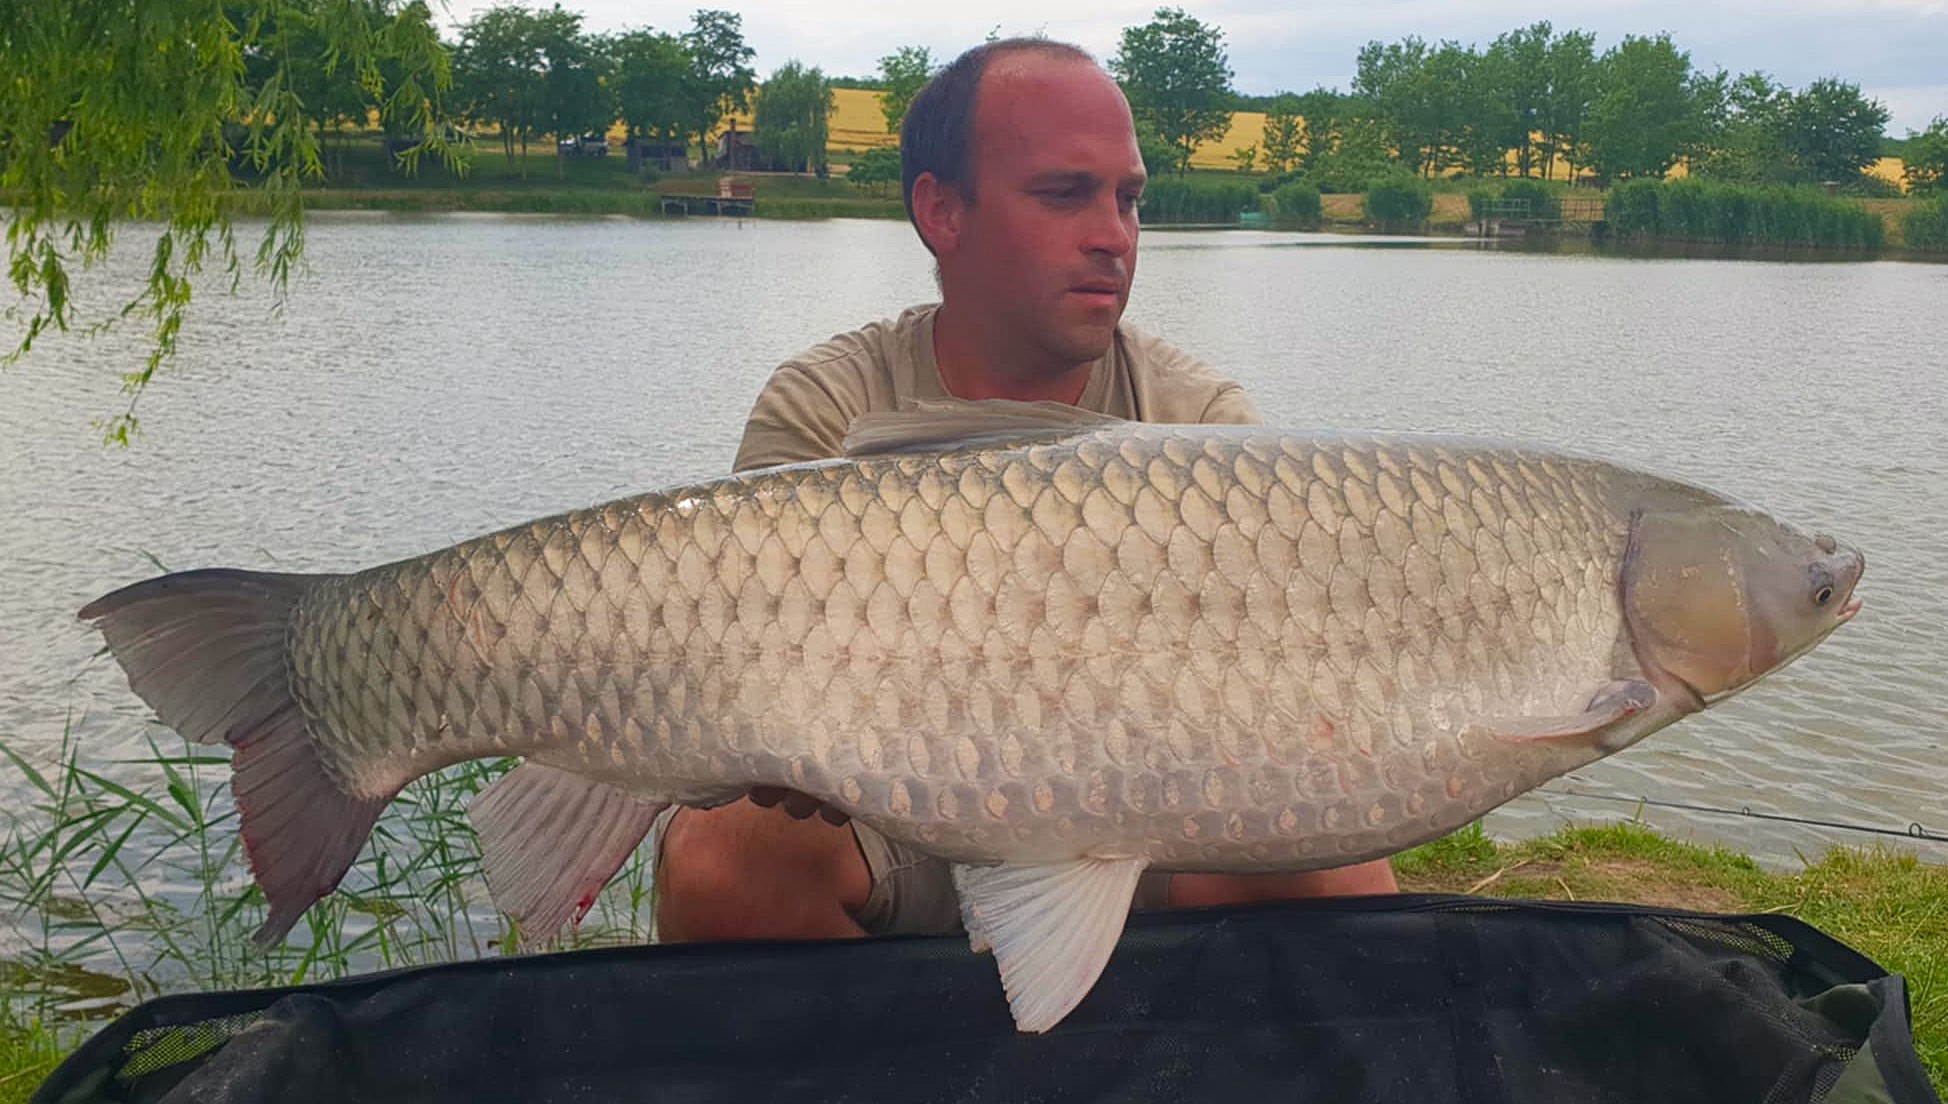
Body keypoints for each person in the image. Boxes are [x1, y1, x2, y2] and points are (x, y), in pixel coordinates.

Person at [654, 37, 1397, 944]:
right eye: (1064, 194)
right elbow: (758, 675)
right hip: (902, 814)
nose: (1114, 235)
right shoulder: (828, 406)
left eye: (1128, 199)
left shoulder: (1199, 422)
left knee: (1345, 870)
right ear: (942, 211)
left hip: (1147, 812)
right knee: (724, 856)